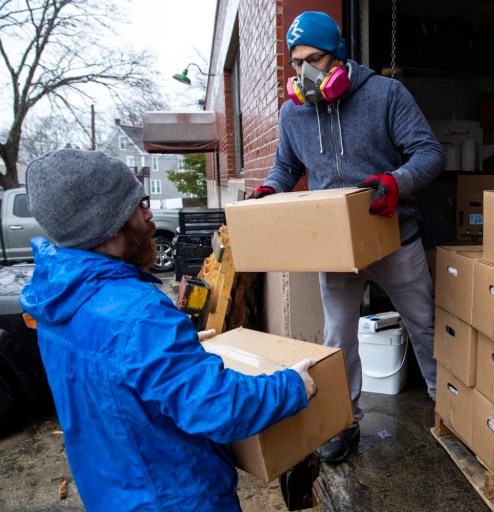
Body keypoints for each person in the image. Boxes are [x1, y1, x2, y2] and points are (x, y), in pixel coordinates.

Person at [19, 149, 317, 511]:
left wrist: (174, 350)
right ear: (108, 223)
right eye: (138, 204)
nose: (148, 214)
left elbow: (106, 370)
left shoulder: (53, 300)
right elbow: (218, 408)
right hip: (173, 496)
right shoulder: (140, 315)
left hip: (110, 491)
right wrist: (292, 386)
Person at [248, 11, 445, 464]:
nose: (305, 73)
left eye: (314, 60)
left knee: (425, 326)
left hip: (395, 237)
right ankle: (344, 421)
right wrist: (270, 188)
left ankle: (447, 407)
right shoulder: (292, 112)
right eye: (297, 64)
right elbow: (287, 167)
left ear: (337, 55)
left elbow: (429, 151)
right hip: (334, 246)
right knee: (337, 338)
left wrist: (398, 182)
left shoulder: (385, 94)